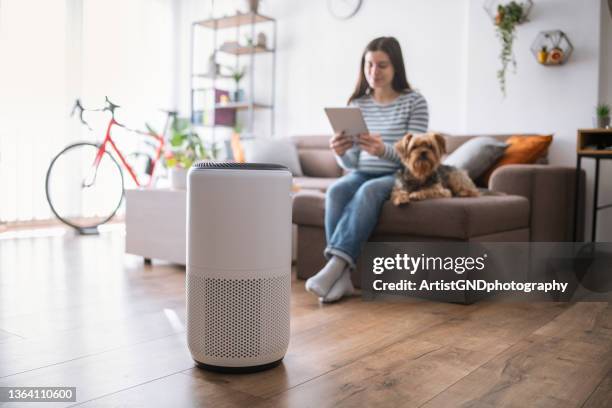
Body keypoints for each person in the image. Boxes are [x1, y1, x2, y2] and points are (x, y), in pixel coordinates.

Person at [305, 36, 429, 303]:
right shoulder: (357, 104)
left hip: (401, 174)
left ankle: (335, 267)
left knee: (368, 191)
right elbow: (352, 164)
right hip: (363, 171)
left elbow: (418, 157)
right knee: (337, 190)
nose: (374, 72)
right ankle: (344, 280)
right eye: (369, 65)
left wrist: (382, 150)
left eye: (382, 65)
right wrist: (341, 154)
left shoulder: (414, 102)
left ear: (396, 67)